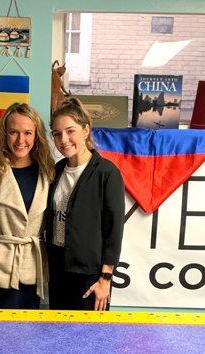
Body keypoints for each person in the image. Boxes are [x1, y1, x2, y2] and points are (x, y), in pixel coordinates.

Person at [0, 103, 55, 309]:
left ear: (37, 136)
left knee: (28, 337)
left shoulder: (49, 173)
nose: (20, 140)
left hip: (32, 270)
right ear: (4, 134)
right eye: (13, 132)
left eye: (27, 133)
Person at [46, 97, 125, 311]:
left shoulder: (107, 173)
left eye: (70, 131)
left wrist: (105, 280)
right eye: (57, 134)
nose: (64, 139)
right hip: (58, 273)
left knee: (90, 341)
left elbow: (114, 231)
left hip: (91, 278)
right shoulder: (57, 170)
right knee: (58, 338)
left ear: (86, 130)